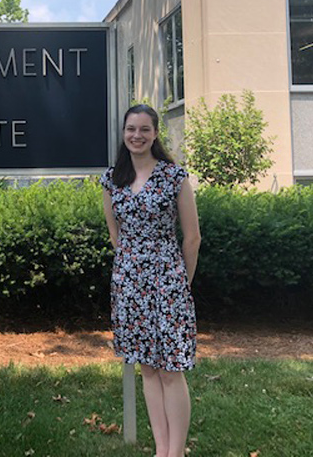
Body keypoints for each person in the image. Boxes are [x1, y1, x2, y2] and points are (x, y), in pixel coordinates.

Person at [99, 104, 201, 457]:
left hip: (169, 282)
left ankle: (176, 451)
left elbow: (192, 238)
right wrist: (133, 268)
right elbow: (116, 235)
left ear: (156, 133)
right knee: (147, 368)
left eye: (144, 129)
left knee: (171, 369)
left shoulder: (174, 177)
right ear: (124, 133)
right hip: (129, 285)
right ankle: (161, 450)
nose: (137, 136)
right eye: (131, 129)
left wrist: (179, 282)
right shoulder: (112, 180)